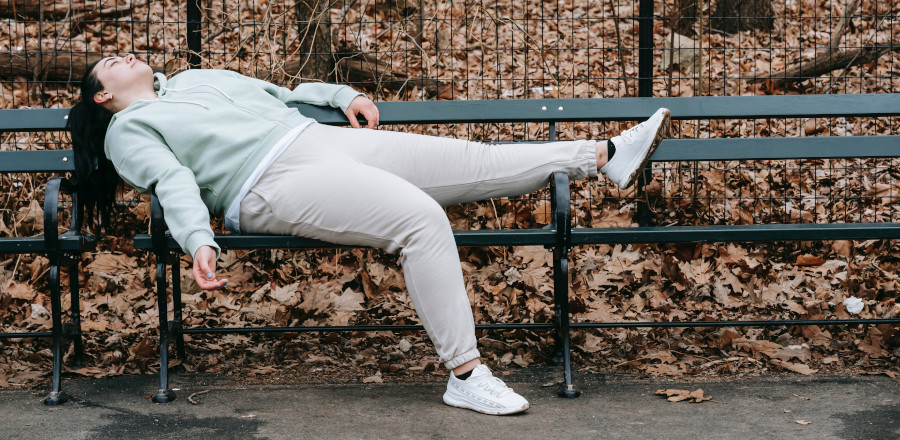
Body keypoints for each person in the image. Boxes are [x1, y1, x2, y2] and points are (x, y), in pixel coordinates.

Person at [68, 53, 670, 415]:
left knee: (476, 162)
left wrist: (343, 94)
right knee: (421, 220)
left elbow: (284, 94)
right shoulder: (129, 129)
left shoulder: (198, 78)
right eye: (109, 64)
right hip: (268, 183)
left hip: (322, 139)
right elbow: (173, 180)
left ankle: (605, 155)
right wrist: (197, 238)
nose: (123, 57)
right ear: (104, 95)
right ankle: (466, 376)